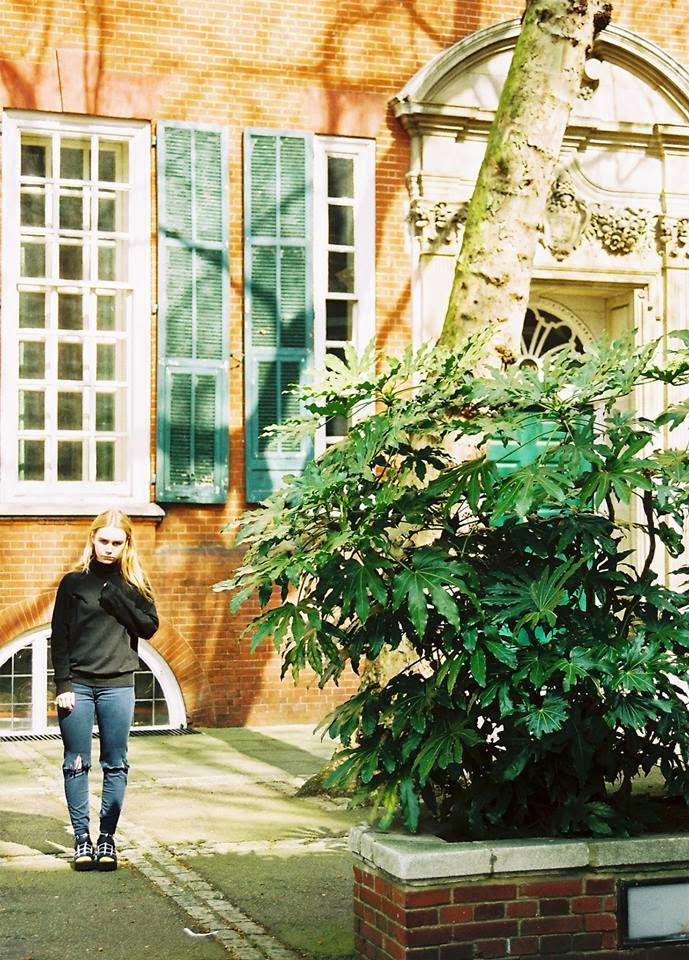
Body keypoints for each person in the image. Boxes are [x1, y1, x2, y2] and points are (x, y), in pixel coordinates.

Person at [50, 509, 159, 871]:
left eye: (117, 542)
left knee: (115, 763)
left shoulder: (135, 584)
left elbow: (148, 628)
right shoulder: (73, 583)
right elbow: (60, 637)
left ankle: (107, 839)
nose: (109, 548)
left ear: (127, 544)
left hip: (118, 685)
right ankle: (82, 839)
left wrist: (119, 600)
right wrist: (63, 684)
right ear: (93, 540)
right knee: (75, 762)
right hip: (78, 685)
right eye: (104, 541)